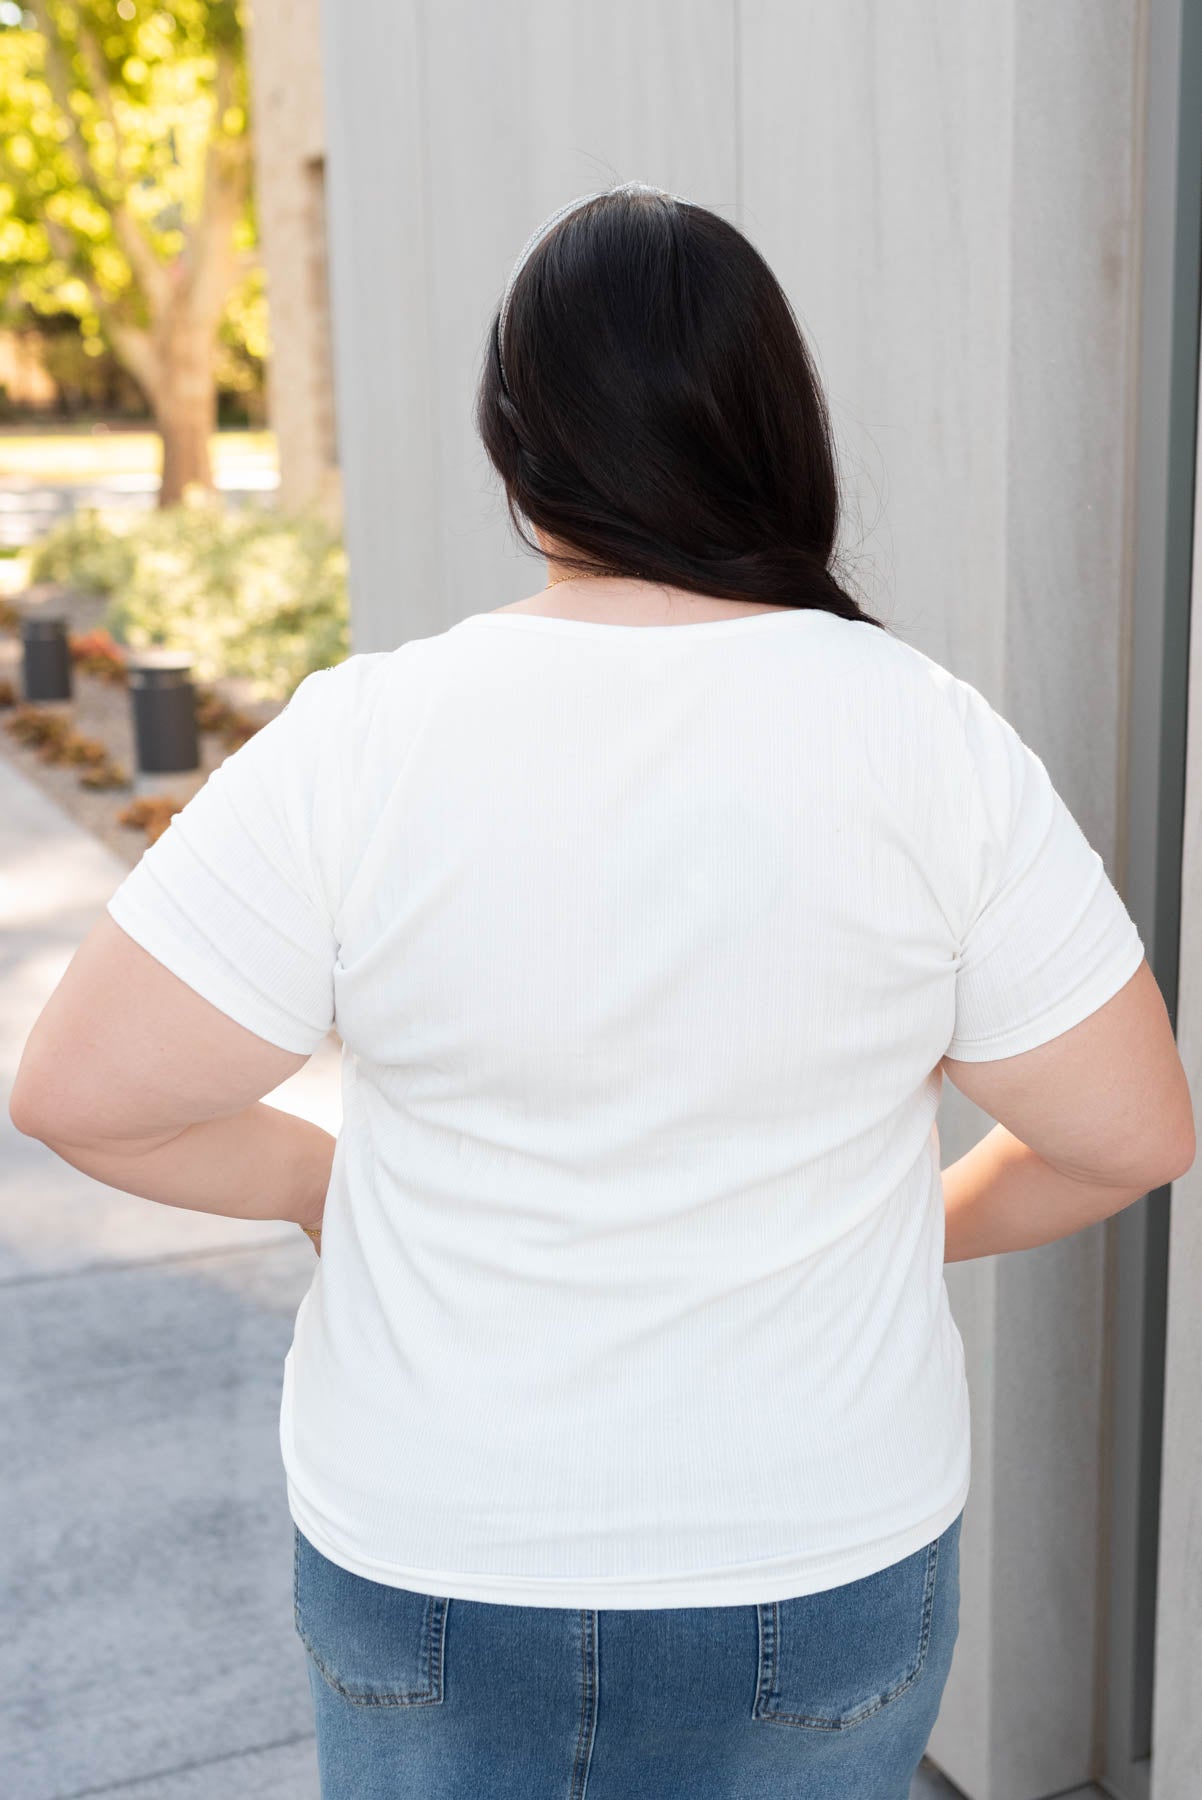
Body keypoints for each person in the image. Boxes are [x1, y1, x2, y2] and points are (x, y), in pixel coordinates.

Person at [11, 181, 1193, 1800]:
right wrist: (898, 1222)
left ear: (515, 442)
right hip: (814, 1553)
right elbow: (1127, 1133)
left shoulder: (368, 738)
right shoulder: (927, 740)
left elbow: (80, 1092)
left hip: (432, 1548)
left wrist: (316, 1180)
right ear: (776, 430)